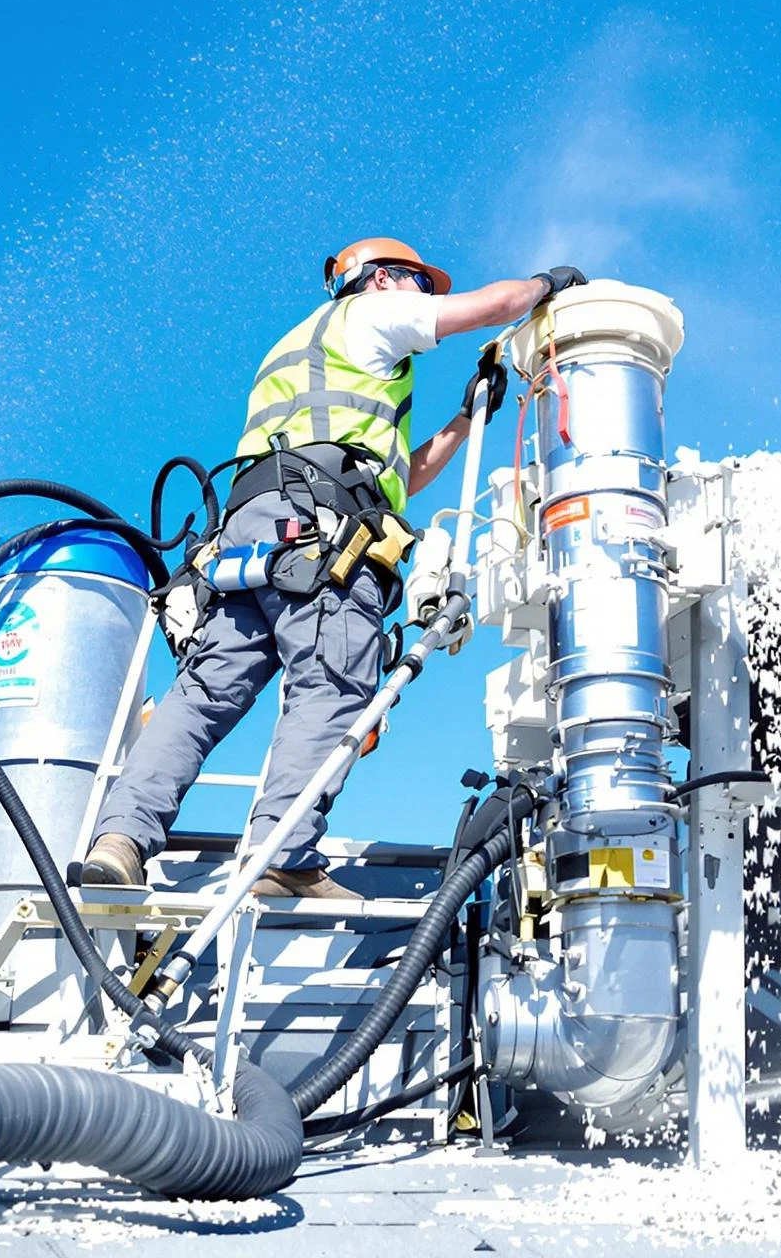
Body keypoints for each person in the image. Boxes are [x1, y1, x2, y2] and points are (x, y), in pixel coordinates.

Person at [79, 239, 584, 899]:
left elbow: (400, 476)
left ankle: (120, 839)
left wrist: (465, 417)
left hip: (247, 538)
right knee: (332, 686)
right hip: (320, 536)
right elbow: (499, 304)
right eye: (415, 283)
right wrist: (546, 284)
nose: (423, 296)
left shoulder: (298, 349)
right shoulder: (373, 316)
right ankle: (282, 856)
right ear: (378, 280)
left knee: (203, 696)